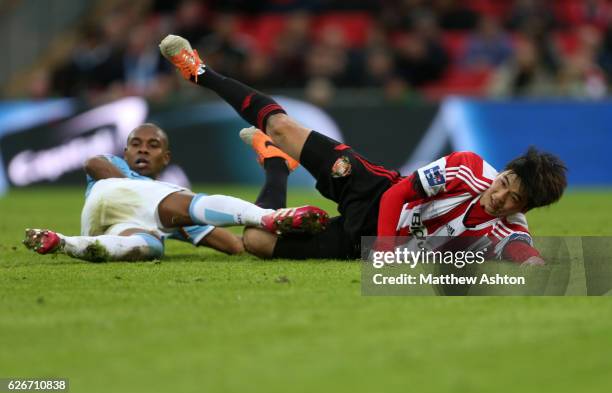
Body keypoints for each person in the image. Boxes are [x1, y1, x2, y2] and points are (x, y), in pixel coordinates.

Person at [158, 34, 567, 265]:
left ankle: (276, 167)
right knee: (282, 127)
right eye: (505, 183)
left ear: (524, 208)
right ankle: (201, 71)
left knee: (255, 242)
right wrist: (386, 251)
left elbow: (525, 257)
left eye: (514, 198)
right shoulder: (468, 167)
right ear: (503, 172)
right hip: (374, 193)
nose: (500, 196)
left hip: (358, 244)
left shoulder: (510, 229)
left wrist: (537, 267)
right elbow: (399, 193)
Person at [22, 123, 329, 262]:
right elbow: (93, 163)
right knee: (194, 203)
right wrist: (178, 208)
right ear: (125, 152)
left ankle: (65, 243)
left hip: (115, 226)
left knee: (150, 246)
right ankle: (269, 216)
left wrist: (178, 217)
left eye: (153, 145)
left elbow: (236, 246)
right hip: (114, 197)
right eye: (135, 144)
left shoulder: (166, 208)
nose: (143, 148)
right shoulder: (113, 166)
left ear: (165, 159)